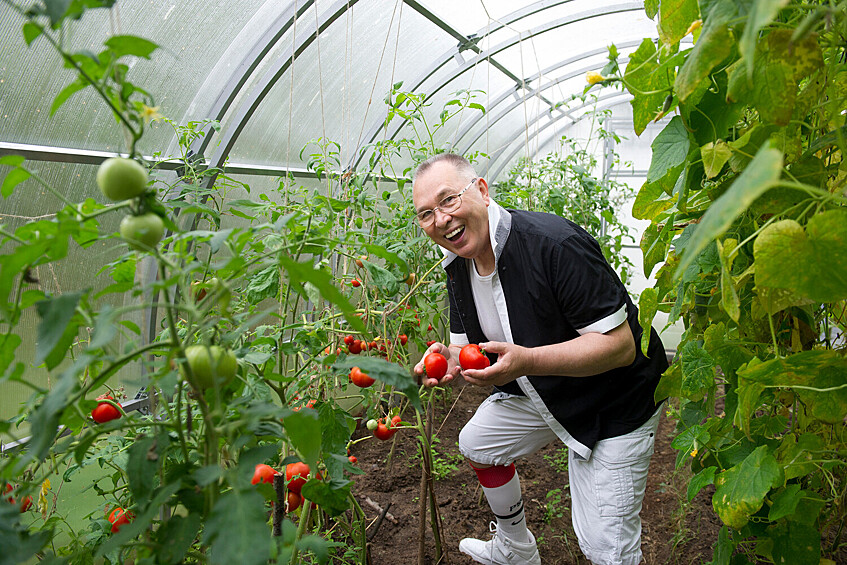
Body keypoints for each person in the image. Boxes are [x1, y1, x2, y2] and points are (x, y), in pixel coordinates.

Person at [411, 153, 668, 565]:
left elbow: (621, 347)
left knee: (606, 548)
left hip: (617, 398)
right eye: (426, 213)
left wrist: (526, 360)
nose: (440, 219)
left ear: (481, 189)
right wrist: (449, 359)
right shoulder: (458, 268)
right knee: (478, 442)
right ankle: (515, 548)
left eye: (448, 200)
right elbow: (467, 353)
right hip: (550, 385)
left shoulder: (552, 244)